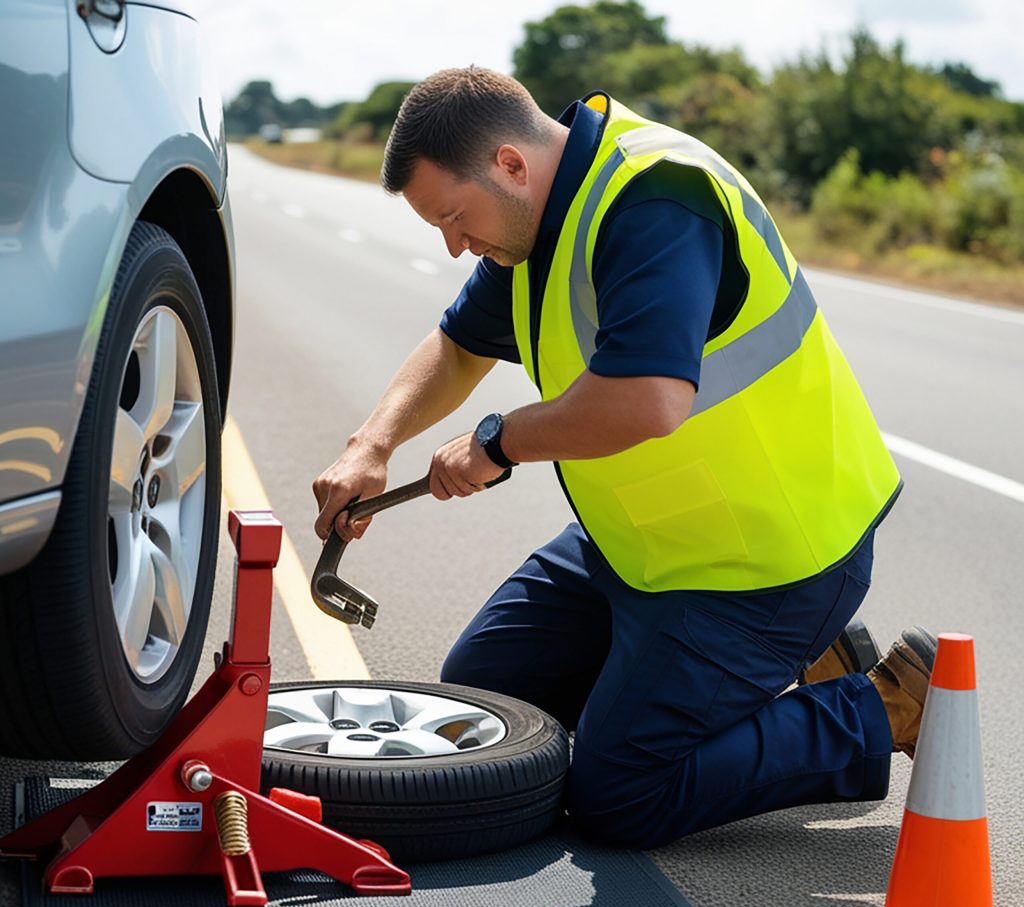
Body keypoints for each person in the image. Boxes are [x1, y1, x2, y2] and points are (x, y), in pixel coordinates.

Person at [312, 66, 936, 847]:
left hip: (767, 558)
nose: (453, 245)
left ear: (510, 163)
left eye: (454, 217)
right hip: (644, 539)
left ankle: (879, 705)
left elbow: (648, 400)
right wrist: (372, 445)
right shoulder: (532, 220)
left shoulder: (655, 201)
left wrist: (499, 442)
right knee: (482, 706)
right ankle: (812, 661)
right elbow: (458, 344)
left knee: (619, 794)